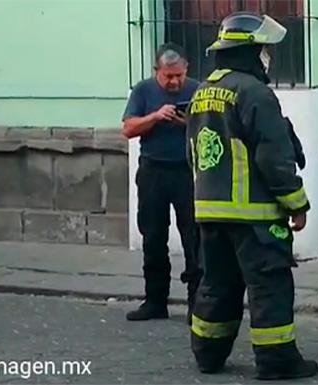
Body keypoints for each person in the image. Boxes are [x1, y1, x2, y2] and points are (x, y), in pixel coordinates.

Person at [185, 12, 318, 380]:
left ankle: (208, 353)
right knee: (269, 286)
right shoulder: (254, 92)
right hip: (255, 216)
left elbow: (193, 153)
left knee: (216, 284)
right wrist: (297, 203)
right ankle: (277, 361)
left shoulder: (201, 92)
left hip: (211, 212)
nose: (268, 57)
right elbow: (273, 155)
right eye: (263, 50)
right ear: (248, 52)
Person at [122, 43, 202, 323]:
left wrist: (185, 123)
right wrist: (156, 117)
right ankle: (155, 301)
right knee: (153, 236)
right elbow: (128, 129)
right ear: (157, 71)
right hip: (153, 171)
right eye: (168, 76)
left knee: (194, 238)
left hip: (187, 172)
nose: (175, 81)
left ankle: (197, 304)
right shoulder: (143, 91)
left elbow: (209, 129)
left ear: (186, 69)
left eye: (179, 75)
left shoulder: (197, 90)